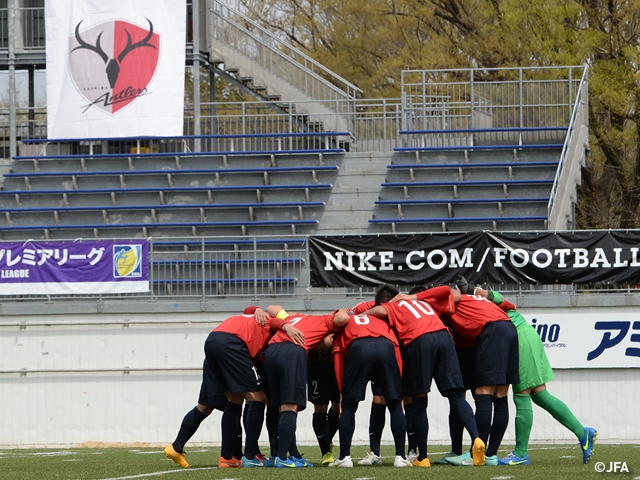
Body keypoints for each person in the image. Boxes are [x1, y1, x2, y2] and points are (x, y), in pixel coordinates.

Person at [465, 281, 597, 465]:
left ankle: (521, 454)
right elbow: (506, 303)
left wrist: (472, 291)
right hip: (524, 334)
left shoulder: (478, 300)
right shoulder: (482, 303)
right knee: (539, 393)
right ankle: (583, 433)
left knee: (522, 394)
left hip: (518, 338)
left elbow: (501, 299)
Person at [364, 285, 486, 467]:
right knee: (456, 396)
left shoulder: (392, 306)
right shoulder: (423, 303)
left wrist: (362, 315)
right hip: (444, 338)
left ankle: (423, 457)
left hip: (419, 340)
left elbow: (381, 310)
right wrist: (415, 296)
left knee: (419, 400)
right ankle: (477, 439)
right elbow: (449, 291)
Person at [400, 285, 519, 466]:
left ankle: (478, 455)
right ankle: (489, 454)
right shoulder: (473, 299)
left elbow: (451, 294)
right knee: (499, 394)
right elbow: (510, 305)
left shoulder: (437, 302)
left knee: (482, 392)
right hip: (505, 328)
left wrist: (414, 297)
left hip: (491, 331)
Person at [204, 305, 304, 468]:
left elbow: (249, 309)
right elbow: (275, 321)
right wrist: (287, 326)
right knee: (258, 398)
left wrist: (257, 308)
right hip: (233, 344)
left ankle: (227, 457)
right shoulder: (273, 323)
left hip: (212, 340)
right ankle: (250, 456)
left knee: (234, 399)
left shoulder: (254, 317)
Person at [264, 307, 350, 468]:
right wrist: (341, 312)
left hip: (271, 352)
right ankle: (281, 458)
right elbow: (343, 318)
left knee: (281, 408)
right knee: (290, 407)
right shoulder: (325, 320)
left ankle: (291, 455)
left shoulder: (294, 317)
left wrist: (285, 325)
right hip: (291, 352)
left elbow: (271, 308)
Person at [330, 308, 411, 468]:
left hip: (358, 347)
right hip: (385, 346)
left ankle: (344, 457)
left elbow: (338, 355)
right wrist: (398, 388)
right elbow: (395, 349)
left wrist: (341, 391)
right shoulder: (379, 320)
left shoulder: (343, 323)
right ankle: (400, 457)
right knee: (395, 406)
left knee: (348, 407)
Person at [164, 359, 242, 468]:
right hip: (226, 359)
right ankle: (231, 457)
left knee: (204, 407)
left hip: (215, 357)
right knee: (233, 404)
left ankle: (176, 447)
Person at [307, 334, 341, 465]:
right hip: (316, 367)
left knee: (338, 406)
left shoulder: (337, 328)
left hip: (335, 365)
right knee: (320, 407)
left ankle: (328, 440)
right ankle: (326, 452)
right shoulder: (317, 325)